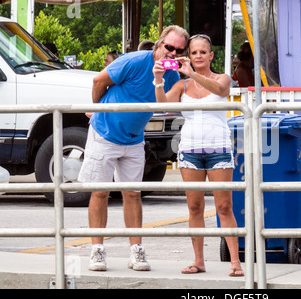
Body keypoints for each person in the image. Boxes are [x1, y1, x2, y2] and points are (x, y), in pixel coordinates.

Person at [78, 25, 189, 272]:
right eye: (169, 47)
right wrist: (99, 108)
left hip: (134, 138)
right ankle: (97, 250)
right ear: (159, 44)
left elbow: (165, 105)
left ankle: (136, 250)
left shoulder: (172, 75)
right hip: (104, 133)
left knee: (133, 194)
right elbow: (99, 80)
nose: (172, 53)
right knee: (100, 193)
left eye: (179, 50)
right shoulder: (133, 60)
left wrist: (164, 76)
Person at [152, 34, 244, 277]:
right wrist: (158, 80)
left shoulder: (221, 78)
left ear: (211, 55)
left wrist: (191, 73)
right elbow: (162, 106)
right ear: (188, 56)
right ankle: (199, 260)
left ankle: (235, 262)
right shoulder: (181, 85)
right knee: (194, 207)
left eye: (203, 52)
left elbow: (221, 89)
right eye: (194, 53)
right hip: (190, 149)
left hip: (218, 149)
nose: (198, 56)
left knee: (224, 206)